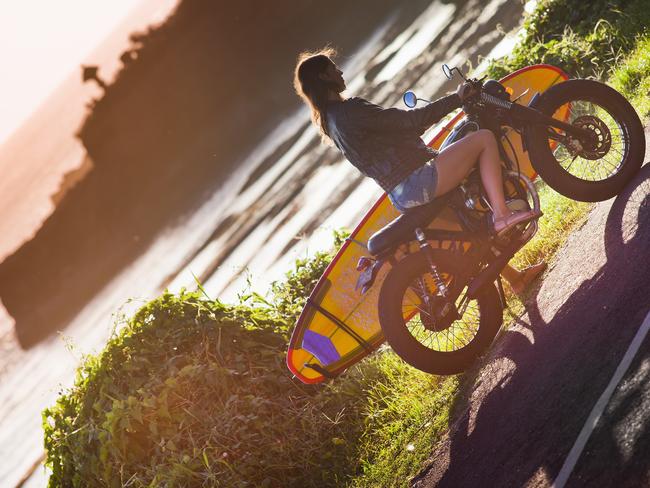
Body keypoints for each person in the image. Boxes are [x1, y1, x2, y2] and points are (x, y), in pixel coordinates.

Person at [293, 48, 545, 292]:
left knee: (474, 227)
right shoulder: (351, 110)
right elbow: (410, 122)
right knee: (485, 138)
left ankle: (516, 279)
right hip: (420, 179)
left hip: (402, 195)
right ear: (324, 77)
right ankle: (502, 214)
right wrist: (458, 98)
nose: (340, 71)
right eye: (333, 68)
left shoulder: (331, 125)